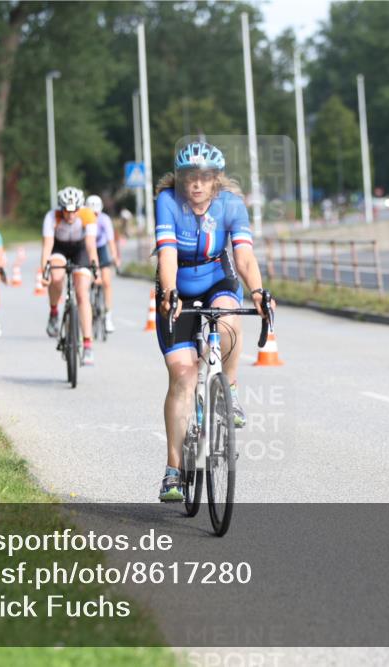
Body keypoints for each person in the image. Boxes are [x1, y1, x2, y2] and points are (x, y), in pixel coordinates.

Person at [153, 141, 271, 502]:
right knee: (183, 376)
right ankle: (173, 470)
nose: (196, 184)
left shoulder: (231, 205)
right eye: (190, 176)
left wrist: (258, 292)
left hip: (218, 279)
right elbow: (167, 255)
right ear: (180, 178)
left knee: (229, 321)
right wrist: (170, 292)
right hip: (178, 284)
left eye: (204, 177)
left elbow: (244, 257)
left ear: (216, 179)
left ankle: (228, 389)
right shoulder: (168, 201)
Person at [39, 187, 101, 365]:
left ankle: (87, 345)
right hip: (59, 248)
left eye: (74, 211)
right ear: (61, 208)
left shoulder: (87, 215)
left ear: (79, 208)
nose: (71, 215)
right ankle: (54, 312)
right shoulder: (52, 216)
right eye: (67, 211)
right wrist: (44, 271)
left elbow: (91, 245)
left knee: (82, 293)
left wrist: (95, 268)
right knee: (57, 277)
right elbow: (47, 246)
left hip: (79, 250)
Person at [86, 194, 120, 333]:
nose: (94, 216)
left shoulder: (104, 219)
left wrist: (115, 256)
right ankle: (86, 310)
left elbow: (111, 240)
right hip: (87, 248)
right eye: (91, 213)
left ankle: (108, 316)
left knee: (106, 281)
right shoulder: (83, 218)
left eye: (96, 213)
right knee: (86, 279)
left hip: (100, 248)